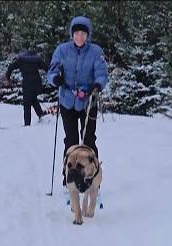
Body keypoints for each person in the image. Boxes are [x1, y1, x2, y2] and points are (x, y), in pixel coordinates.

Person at [47, 15, 108, 185]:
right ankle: (68, 177)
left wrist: (97, 85)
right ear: (71, 34)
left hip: (89, 102)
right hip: (67, 100)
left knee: (89, 140)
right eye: (76, 33)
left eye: (83, 33)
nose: (79, 37)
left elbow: (102, 74)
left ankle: (93, 176)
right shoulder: (62, 50)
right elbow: (51, 72)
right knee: (71, 140)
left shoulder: (96, 51)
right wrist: (55, 79)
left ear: (88, 35)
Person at [3, 48, 48, 126]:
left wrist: (8, 78)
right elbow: (47, 68)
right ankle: (41, 115)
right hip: (37, 82)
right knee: (33, 99)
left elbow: (11, 67)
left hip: (27, 83)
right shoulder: (37, 60)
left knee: (27, 103)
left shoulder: (21, 60)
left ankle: (27, 124)